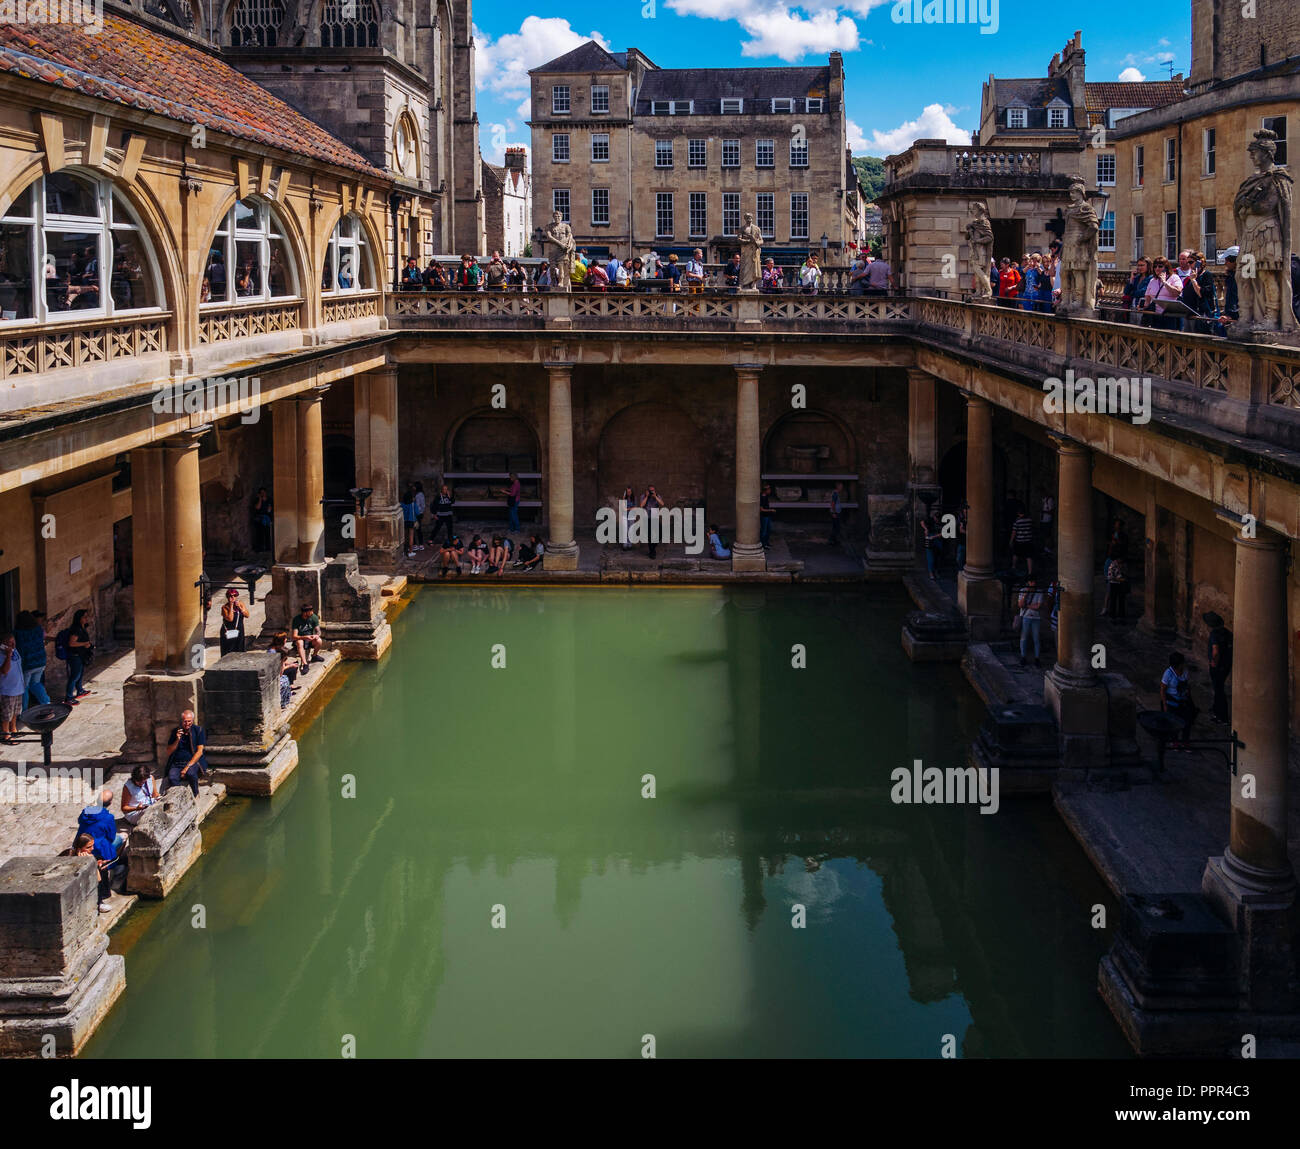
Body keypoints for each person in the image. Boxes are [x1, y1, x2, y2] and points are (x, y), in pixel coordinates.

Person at [165, 710, 208, 796]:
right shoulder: (175, 732)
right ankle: (179, 797)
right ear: (182, 721)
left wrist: (187, 767)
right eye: (185, 721)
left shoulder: (198, 730)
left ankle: (196, 794)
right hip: (177, 763)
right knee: (172, 778)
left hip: (192, 762)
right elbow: (169, 751)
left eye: (189, 721)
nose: (187, 723)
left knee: (191, 774)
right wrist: (177, 739)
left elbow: (199, 752)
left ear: (193, 720)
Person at [14, 610, 49, 709]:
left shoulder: (19, 633)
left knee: (24, 688)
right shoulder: (38, 629)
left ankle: (23, 711)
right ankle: (46, 702)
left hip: (27, 664)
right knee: (36, 683)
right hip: (40, 661)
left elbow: (19, 648)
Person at [72, 832, 115, 913]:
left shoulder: (88, 854)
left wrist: (100, 862)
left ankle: (103, 895)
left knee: (102, 866)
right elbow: (98, 879)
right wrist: (93, 863)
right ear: (79, 849)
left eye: (92, 845)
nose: (92, 848)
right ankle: (98, 903)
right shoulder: (76, 859)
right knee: (100, 871)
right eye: (88, 847)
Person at [1204, 611, 1233, 725]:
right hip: (1226, 665)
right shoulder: (1227, 633)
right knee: (1219, 688)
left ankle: (1222, 716)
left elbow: (1216, 651)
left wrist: (1214, 662)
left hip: (1218, 666)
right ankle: (1216, 709)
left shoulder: (1214, 635)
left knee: (1219, 690)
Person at [1160, 651, 1197, 742]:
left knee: (1187, 723)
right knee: (1173, 723)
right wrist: (1165, 705)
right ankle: (1175, 741)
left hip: (1183, 702)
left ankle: (1185, 742)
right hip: (1172, 702)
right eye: (1182, 663)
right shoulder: (1168, 674)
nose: (1184, 665)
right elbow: (1162, 690)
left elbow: (1187, 686)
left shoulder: (1185, 672)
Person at [60, 608, 94, 704]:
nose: (86, 618)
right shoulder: (76, 629)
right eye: (84, 617)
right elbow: (71, 643)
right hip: (75, 655)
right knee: (75, 675)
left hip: (81, 654)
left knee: (80, 673)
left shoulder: (82, 627)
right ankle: (69, 697)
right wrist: (84, 644)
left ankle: (80, 690)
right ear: (79, 618)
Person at [1144, 256, 1183, 330]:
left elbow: (1177, 292)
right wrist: (1145, 309)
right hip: (1155, 315)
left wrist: (1165, 282)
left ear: (1166, 267)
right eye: (1155, 266)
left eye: (1160, 266)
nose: (1157, 268)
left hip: (1170, 315)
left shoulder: (1174, 278)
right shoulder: (1152, 280)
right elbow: (1147, 298)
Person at [1017, 577, 1045, 668]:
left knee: (1036, 638)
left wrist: (1027, 605)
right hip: (1025, 617)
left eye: (1034, 581)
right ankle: (1023, 657)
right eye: (1031, 581)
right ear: (1028, 582)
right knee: (1023, 638)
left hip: (1036, 618)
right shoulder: (1023, 590)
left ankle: (1037, 658)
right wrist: (1025, 595)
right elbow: (1020, 605)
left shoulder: (1039, 592)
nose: (1033, 583)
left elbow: (1038, 606)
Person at [0, 632, 22, 743]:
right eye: (9, 643)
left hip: (18, 688)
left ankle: (13, 729)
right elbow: (5, 670)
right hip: (7, 690)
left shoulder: (15, 651)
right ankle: (6, 734)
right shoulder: (1, 655)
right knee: (6, 714)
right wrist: (8, 655)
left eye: (13, 642)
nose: (12, 645)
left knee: (15, 712)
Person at [291, 604, 323, 670]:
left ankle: (314, 656)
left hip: (310, 639)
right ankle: (305, 663)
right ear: (305, 613)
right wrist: (305, 637)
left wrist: (316, 635)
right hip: (300, 639)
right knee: (300, 643)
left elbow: (318, 631)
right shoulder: (296, 619)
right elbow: (294, 636)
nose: (312, 612)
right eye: (310, 611)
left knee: (319, 641)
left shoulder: (314, 617)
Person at [219, 587, 250, 656]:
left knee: (239, 648)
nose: (233, 597)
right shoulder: (224, 607)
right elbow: (230, 618)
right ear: (227, 597)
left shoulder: (240, 604)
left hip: (239, 630)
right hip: (229, 631)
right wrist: (231, 605)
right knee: (229, 649)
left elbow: (247, 615)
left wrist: (240, 608)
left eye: (235, 595)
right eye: (231, 596)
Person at [1009, 506, 1035, 576]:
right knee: (1029, 556)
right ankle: (1030, 572)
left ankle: (1013, 567)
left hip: (1019, 541)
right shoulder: (1030, 520)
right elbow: (1032, 529)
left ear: (1018, 513)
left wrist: (1011, 541)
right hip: (1028, 541)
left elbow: (1014, 532)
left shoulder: (1017, 521)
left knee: (1016, 554)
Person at [640, 486, 665, 558]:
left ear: (655, 490)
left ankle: (653, 548)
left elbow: (662, 504)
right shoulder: (643, 496)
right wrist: (647, 496)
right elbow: (641, 505)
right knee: (649, 536)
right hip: (647, 518)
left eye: (653, 490)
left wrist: (655, 496)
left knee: (660, 533)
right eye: (650, 490)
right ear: (647, 490)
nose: (651, 492)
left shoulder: (657, 496)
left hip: (655, 518)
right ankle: (652, 552)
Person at [1105, 553, 1128, 620]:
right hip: (1114, 584)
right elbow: (1110, 577)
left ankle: (1121, 615)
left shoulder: (1123, 564)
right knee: (1113, 600)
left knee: (1121, 600)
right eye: (1120, 559)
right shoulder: (1112, 565)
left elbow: (1125, 573)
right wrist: (1119, 579)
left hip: (1121, 584)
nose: (1121, 560)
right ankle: (1112, 615)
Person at [250, 486, 273, 553]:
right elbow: (257, 508)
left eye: (264, 492)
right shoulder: (257, 500)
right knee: (259, 534)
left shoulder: (269, 500)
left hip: (267, 519)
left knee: (268, 533)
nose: (263, 494)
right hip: (259, 519)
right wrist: (260, 499)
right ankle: (260, 548)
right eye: (261, 493)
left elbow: (269, 510)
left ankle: (268, 547)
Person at [922, 514, 943, 579]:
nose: (937, 520)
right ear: (934, 517)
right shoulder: (930, 520)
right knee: (930, 558)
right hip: (931, 539)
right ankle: (931, 573)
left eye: (938, 519)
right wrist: (926, 529)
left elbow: (943, 533)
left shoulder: (942, 523)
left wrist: (933, 537)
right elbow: (922, 522)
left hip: (937, 539)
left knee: (938, 557)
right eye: (936, 518)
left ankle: (936, 572)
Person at [759, 483, 774, 547]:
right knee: (764, 531)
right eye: (769, 489)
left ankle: (767, 542)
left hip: (768, 516)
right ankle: (763, 544)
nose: (770, 490)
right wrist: (771, 510)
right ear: (765, 490)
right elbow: (761, 509)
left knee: (769, 530)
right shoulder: (762, 498)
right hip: (764, 516)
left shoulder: (766, 496)